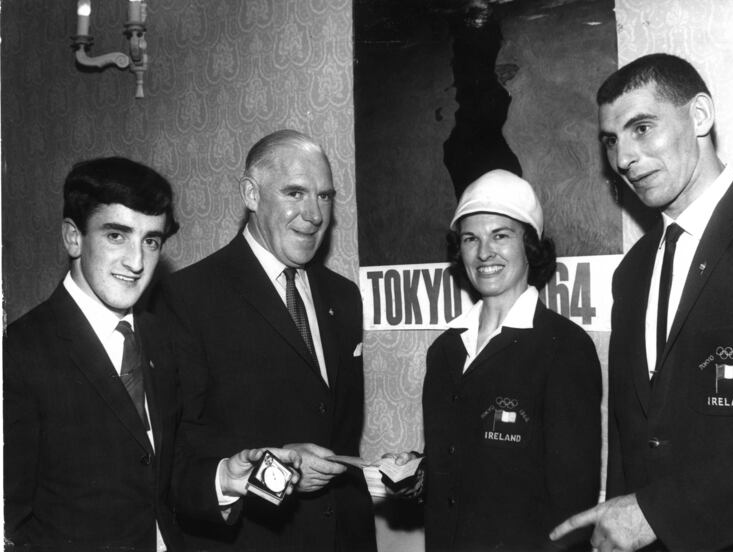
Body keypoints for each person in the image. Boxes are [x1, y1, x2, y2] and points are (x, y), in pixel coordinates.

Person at [550, 53, 733, 551]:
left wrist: (656, 514)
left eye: (641, 128)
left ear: (700, 116)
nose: (623, 158)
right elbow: (628, 436)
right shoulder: (632, 272)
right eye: (611, 140)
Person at [3, 157, 301, 552]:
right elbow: (11, 520)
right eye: (116, 236)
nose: (136, 261)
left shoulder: (160, 336)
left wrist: (224, 479)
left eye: (151, 240)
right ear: (73, 237)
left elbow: (160, 472)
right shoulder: (21, 352)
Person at [155, 130, 377, 551]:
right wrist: (274, 468)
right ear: (251, 194)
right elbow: (182, 454)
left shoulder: (344, 297)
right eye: (295, 192)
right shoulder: (187, 298)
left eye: (325, 196)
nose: (314, 214)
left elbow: (338, 429)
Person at [389, 169, 602, 551]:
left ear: (530, 246)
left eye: (500, 235)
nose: (484, 252)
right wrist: (418, 471)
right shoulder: (444, 352)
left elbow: (572, 503)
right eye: (471, 239)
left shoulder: (565, 348)